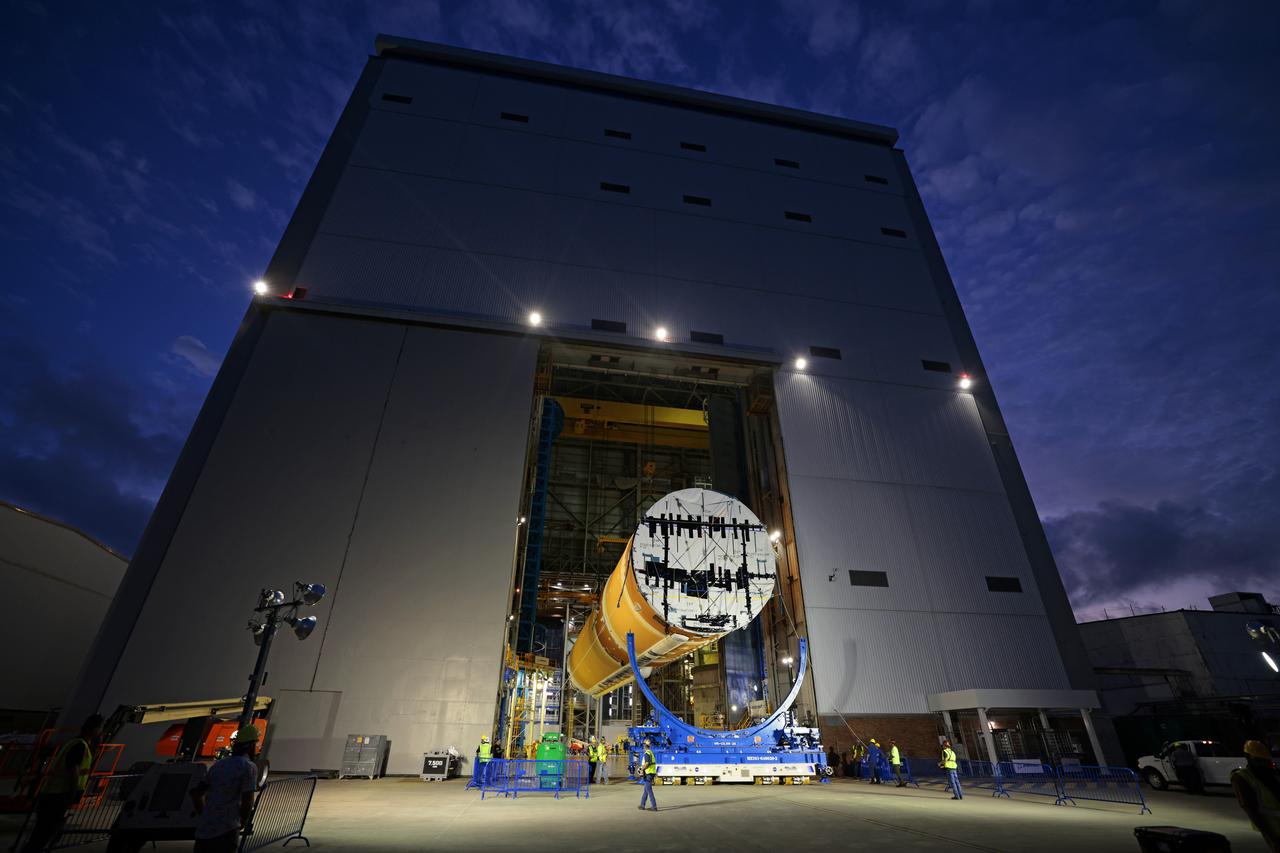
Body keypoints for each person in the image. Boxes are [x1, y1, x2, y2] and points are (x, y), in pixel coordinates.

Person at [22, 714, 103, 853]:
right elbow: (73, 770)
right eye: (100, 728)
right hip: (59, 794)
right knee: (43, 833)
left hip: (53, 792)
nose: (101, 731)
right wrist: (74, 790)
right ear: (94, 729)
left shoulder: (75, 743)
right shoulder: (79, 745)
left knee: (42, 832)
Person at [191, 725, 259, 853]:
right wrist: (242, 821)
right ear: (251, 745)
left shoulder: (218, 765)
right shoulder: (249, 767)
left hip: (205, 830)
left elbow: (196, 794)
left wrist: (205, 814)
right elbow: (248, 800)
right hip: (227, 829)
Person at [1231, 740, 1280, 852]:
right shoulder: (1241, 778)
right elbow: (1249, 808)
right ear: (1248, 757)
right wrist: (1271, 837)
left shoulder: (1270, 773)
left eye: (1265, 760)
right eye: (1258, 760)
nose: (1263, 764)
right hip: (1273, 828)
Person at [638, 739, 658, 812]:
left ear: (644, 746)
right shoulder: (650, 752)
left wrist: (641, 769)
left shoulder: (647, 753)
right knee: (646, 790)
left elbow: (647, 764)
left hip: (648, 774)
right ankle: (642, 805)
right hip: (651, 773)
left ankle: (654, 806)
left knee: (649, 790)